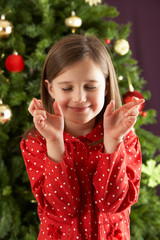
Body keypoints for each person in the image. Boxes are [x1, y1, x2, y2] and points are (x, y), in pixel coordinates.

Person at [20, 34, 144, 240]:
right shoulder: (36, 142)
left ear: (105, 86)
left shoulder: (126, 138)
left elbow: (113, 203)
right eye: (67, 88)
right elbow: (62, 208)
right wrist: (54, 142)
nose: (79, 97)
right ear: (50, 89)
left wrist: (113, 142)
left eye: (90, 86)